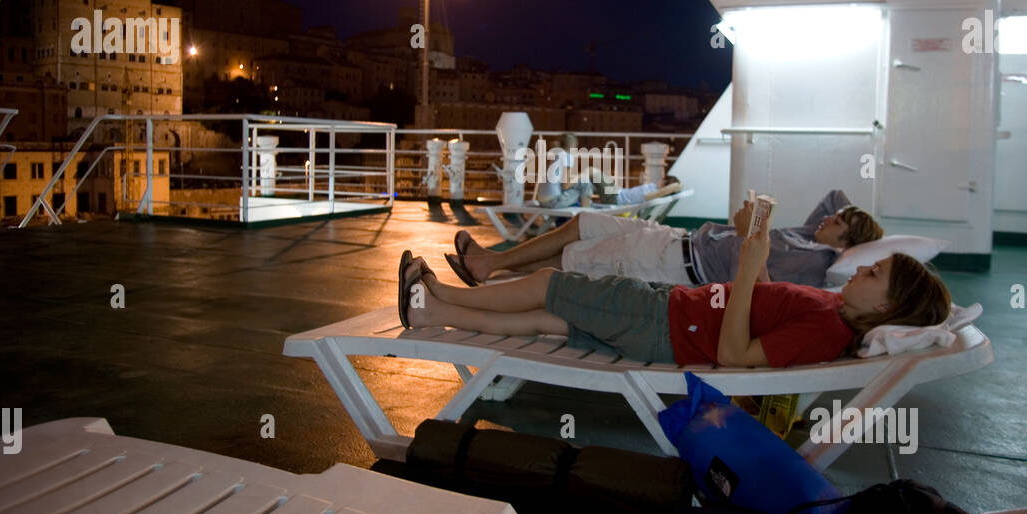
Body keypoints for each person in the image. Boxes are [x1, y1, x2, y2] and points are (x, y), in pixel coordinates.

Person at [402, 226, 951, 368]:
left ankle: (443, 293)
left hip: (667, 321)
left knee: (553, 286)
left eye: (873, 273)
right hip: (673, 321)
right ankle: (434, 313)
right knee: (552, 320)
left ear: (884, 308)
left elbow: (735, 355)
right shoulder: (832, 312)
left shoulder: (828, 329)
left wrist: (749, 266)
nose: (861, 271)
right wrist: (753, 267)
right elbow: (756, 316)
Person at [446, 188, 881, 289]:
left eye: (840, 221)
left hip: (677, 267)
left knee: (578, 258)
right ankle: (492, 262)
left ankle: (491, 273)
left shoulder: (813, 262)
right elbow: (833, 198)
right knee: (582, 222)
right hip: (677, 238)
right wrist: (854, 226)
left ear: (847, 241)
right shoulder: (809, 237)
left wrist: (750, 233)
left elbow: (751, 284)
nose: (829, 218)